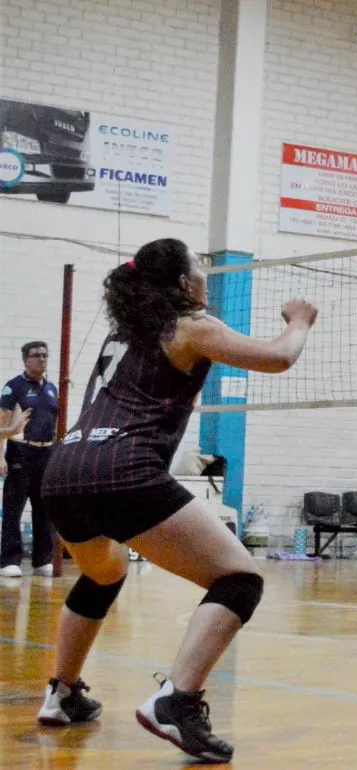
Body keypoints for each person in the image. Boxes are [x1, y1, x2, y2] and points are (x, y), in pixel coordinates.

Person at [33, 239, 316, 762]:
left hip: (64, 470)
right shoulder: (190, 325)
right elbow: (279, 357)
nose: (206, 275)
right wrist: (299, 320)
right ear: (184, 283)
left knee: (103, 573)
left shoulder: (124, 332)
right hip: (122, 470)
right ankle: (177, 702)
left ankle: (63, 694)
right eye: (200, 268)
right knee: (240, 579)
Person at [1, 341, 60, 578]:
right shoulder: (13, 387)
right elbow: (2, 424)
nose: (42, 359)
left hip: (47, 453)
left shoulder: (52, 388)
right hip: (20, 452)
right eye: (37, 355)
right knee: (14, 508)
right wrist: (0, 458)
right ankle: (9, 560)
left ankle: (42, 560)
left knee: (44, 509)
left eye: (45, 355)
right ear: (26, 359)